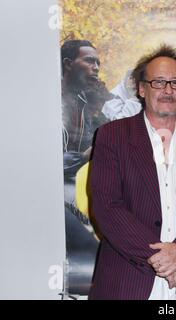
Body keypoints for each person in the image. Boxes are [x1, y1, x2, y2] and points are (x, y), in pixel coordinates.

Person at [89, 45, 176, 300]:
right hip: (127, 280)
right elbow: (107, 205)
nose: (168, 90)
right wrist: (159, 258)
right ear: (142, 89)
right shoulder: (112, 136)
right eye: (158, 82)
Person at [61, 40, 114, 294]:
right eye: (89, 61)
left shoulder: (86, 101)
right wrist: (84, 156)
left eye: (98, 63)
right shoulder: (47, 103)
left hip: (79, 187)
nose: (96, 68)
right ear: (68, 64)